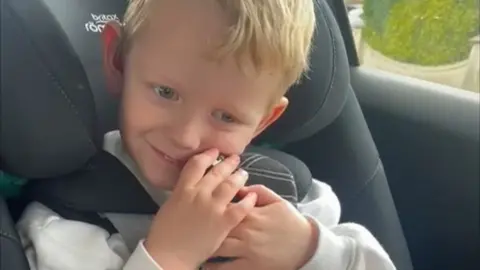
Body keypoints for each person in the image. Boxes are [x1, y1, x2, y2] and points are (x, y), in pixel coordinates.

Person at [16, 0, 396, 269]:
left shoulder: (290, 196)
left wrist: (310, 252)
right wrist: (169, 258)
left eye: (226, 116)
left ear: (264, 121)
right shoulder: (67, 225)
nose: (186, 136)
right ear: (118, 60)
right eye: (165, 92)